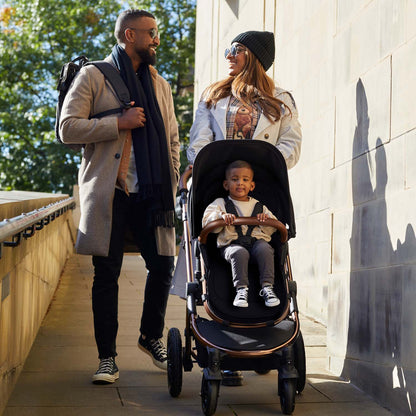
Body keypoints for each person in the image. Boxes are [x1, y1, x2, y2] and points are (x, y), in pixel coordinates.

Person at [59, 9, 180, 384]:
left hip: (152, 194)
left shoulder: (159, 83)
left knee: (162, 266)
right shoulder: (93, 75)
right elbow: (67, 128)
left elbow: (172, 138)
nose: (156, 39)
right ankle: (107, 358)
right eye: (151, 33)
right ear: (130, 35)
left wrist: (171, 175)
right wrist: (118, 123)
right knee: (106, 274)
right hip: (111, 191)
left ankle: (150, 336)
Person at [187, 30, 302, 386]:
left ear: (252, 55)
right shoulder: (214, 95)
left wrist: (262, 163)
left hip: (262, 186)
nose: (227, 56)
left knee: (267, 251)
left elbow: (292, 144)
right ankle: (229, 349)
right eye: (227, 50)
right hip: (222, 185)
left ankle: (268, 335)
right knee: (223, 256)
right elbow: (199, 141)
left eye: (234, 50)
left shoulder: (281, 99)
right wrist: (220, 164)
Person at [202, 160, 280, 308]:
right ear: (226, 184)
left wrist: (266, 221)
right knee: (239, 252)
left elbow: (274, 227)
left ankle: (267, 287)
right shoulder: (220, 204)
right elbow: (208, 224)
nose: (240, 183)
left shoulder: (259, 206)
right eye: (235, 179)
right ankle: (241, 290)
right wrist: (221, 217)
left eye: (245, 180)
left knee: (265, 248)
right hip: (231, 245)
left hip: (256, 243)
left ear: (252, 185)